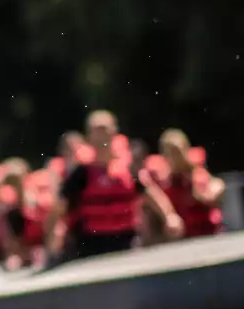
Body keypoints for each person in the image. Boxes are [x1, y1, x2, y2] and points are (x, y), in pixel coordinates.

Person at [45, 110, 181, 260]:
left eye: (104, 131)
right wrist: (51, 240)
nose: (101, 137)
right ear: (89, 137)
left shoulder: (128, 169)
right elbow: (58, 208)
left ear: (114, 133)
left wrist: (170, 216)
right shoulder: (81, 174)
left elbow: (151, 194)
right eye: (96, 132)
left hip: (126, 243)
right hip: (89, 247)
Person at [138, 129, 225, 242]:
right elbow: (148, 192)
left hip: (207, 236)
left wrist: (215, 190)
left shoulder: (197, 175)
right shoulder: (162, 181)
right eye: (169, 153)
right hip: (180, 240)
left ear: (186, 150)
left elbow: (216, 186)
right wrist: (168, 215)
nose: (174, 157)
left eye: (177, 152)